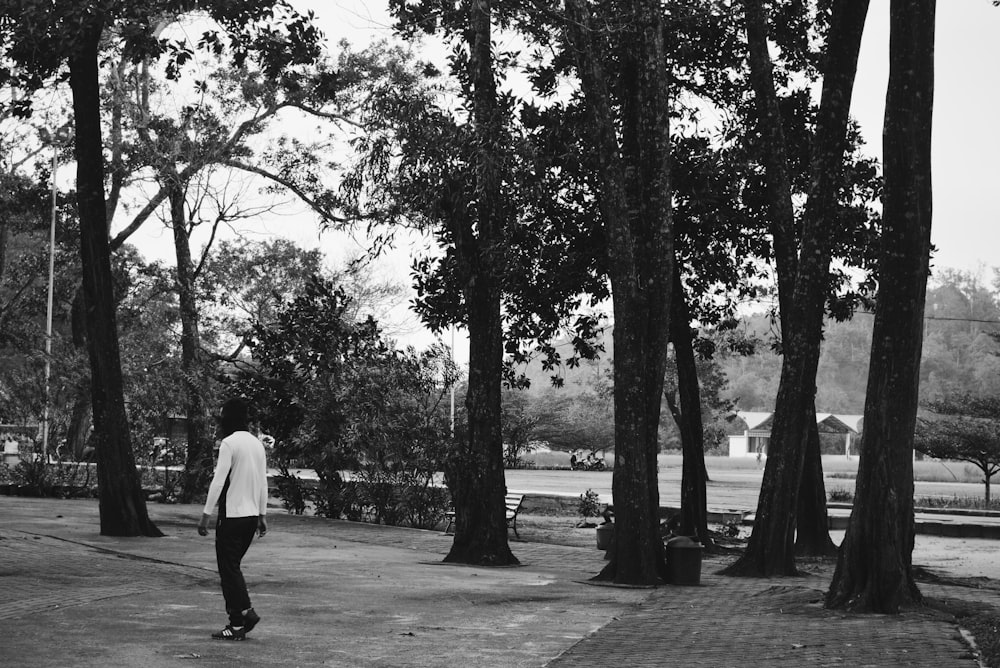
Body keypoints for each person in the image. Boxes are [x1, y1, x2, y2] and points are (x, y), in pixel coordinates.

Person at [197, 398, 269, 641]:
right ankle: (236, 625)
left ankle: (244, 615)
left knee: (229, 570)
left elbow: (218, 481)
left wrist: (206, 514)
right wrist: (262, 514)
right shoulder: (257, 445)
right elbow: (263, 481)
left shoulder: (229, 443)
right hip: (250, 519)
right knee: (231, 570)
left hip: (232, 517)